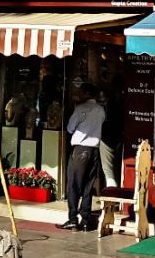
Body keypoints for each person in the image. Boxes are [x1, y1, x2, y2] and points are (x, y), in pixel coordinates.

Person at [58, 82, 105, 232]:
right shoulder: (100, 110)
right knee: (88, 186)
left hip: (80, 149)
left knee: (73, 185)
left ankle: (73, 219)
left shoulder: (81, 108)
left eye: (81, 92)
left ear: (87, 94)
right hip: (94, 150)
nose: (78, 95)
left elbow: (70, 128)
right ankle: (85, 219)